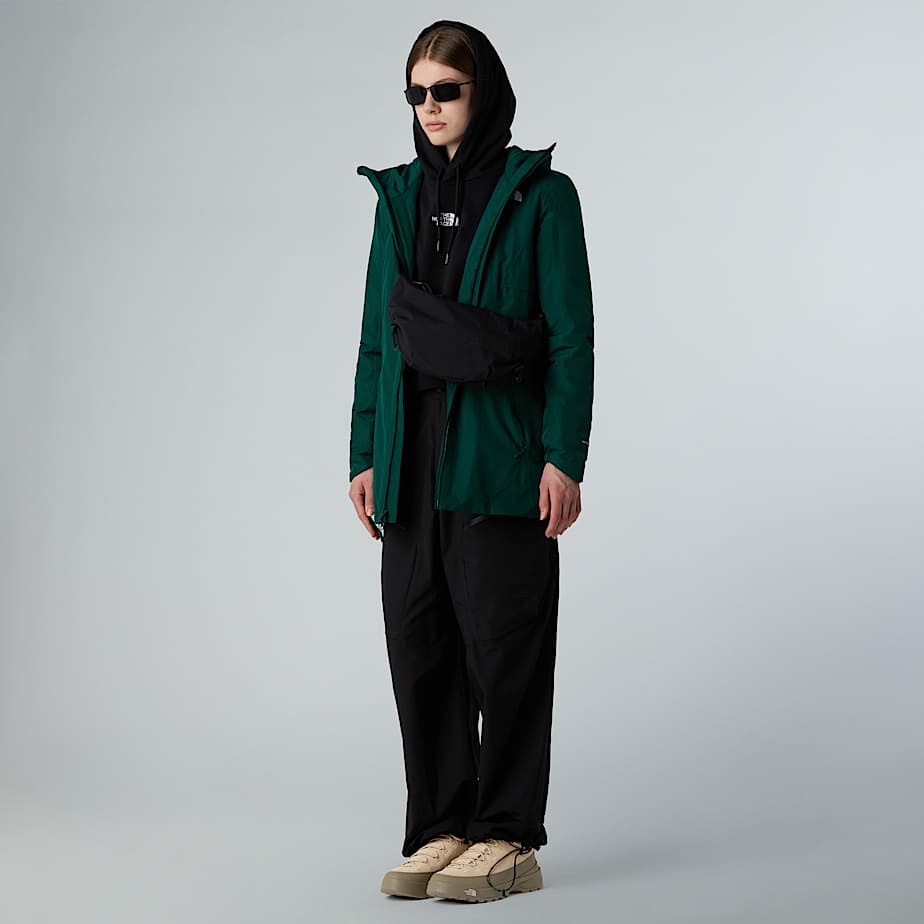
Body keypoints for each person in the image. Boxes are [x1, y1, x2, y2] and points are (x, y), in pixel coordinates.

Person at [348, 19, 593, 903]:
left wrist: (564, 457)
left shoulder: (540, 197)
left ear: (481, 93)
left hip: (501, 456)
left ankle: (509, 836)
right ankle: (441, 826)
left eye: (445, 90)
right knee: (420, 642)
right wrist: (364, 452)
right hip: (410, 458)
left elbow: (569, 338)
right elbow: (377, 339)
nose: (429, 107)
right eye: (416, 93)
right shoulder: (399, 197)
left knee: (505, 644)